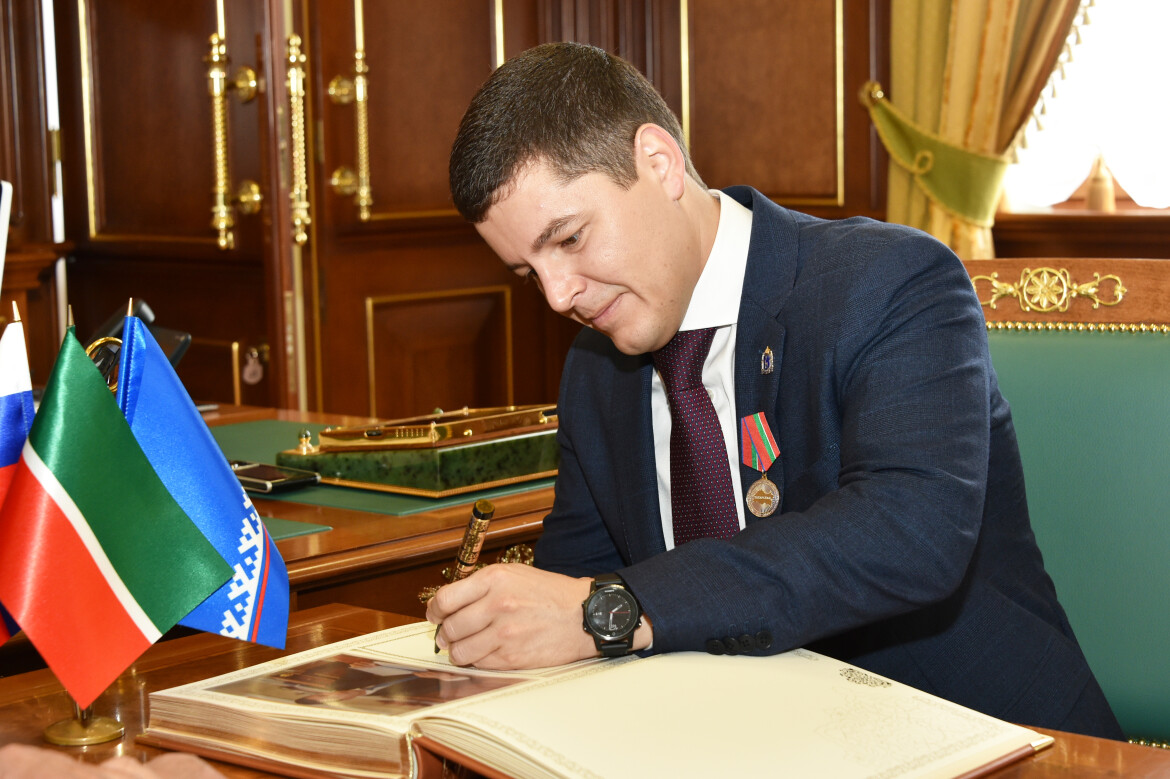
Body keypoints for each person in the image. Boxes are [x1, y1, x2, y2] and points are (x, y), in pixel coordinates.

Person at [427, 41, 1123, 739]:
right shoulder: (595, 369)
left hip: (981, 738)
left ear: (658, 163)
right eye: (529, 273)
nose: (557, 296)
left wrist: (617, 609)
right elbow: (572, 590)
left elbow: (908, 533)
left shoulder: (892, 281)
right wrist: (504, 627)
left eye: (571, 239)